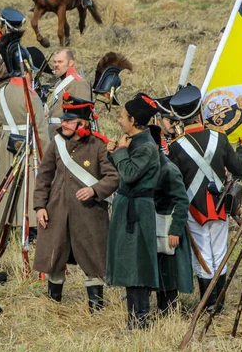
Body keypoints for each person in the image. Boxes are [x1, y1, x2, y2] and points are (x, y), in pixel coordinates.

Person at [167, 85, 242, 314]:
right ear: (200, 111)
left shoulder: (176, 147)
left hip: (193, 208)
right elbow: (240, 169)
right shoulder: (220, 138)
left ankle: (208, 303)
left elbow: (174, 181)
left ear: (180, 118)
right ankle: (217, 304)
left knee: (202, 255)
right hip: (220, 204)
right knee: (219, 252)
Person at [34, 93, 119, 311]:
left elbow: (113, 177)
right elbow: (44, 175)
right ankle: (54, 304)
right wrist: (40, 206)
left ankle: (96, 308)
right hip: (58, 210)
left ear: (83, 123)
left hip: (88, 214)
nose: (64, 124)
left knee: (93, 259)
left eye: (69, 120)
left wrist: (94, 190)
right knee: (54, 257)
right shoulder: (57, 143)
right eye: (63, 120)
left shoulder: (99, 145)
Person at [0, 18, 49, 234]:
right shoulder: (31, 96)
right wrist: (45, 156)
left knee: (7, 184)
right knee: (29, 187)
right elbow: (40, 129)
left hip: (6, 143)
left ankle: (9, 221)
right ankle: (30, 226)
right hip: (28, 144)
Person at [105, 93, 160, 330]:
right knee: (130, 263)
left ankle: (141, 319)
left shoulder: (146, 147)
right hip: (129, 208)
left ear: (133, 119)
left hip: (138, 211)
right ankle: (133, 319)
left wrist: (119, 152)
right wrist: (114, 152)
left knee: (138, 264)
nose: (119, 120)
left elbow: (128, 174)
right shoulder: (135, 142)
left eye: (122, 116)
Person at [147, 125, 193, 316]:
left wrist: (174, 230)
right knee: (158, 268)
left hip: (165, 224)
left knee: (168, 270)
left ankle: (169, 310)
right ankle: (161, 308)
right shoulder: (148, 164)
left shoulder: (168, 168)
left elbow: (182, 200)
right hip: (151, 223)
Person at [45, 49, 91, 139]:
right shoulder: (59, 82)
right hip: (54, 132)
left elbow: (82, 117)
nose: (56, 65)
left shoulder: (78, 83)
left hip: (66, 135)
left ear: (70, 63)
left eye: (60, 62)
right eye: (55, 62)